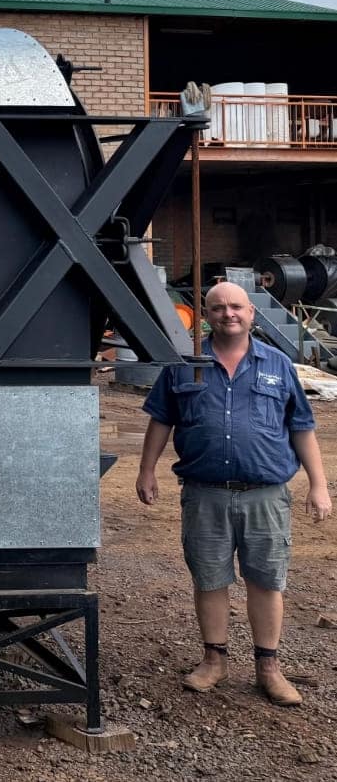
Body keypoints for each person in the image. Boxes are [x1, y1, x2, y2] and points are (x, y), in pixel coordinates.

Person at [136, 280, 331, 705]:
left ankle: (269, 668)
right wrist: (146, 470)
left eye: (237, 307)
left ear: (251, 314)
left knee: (265, 580)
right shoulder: (184, 365)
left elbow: (302, 427)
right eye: (219, 308)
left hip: (266, 495)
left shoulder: (279, 366)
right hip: (205, 494)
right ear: (206, 315)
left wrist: (319, 485)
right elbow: (161, 420)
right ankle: (214, 661)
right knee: (210, 579)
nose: (229, 314)